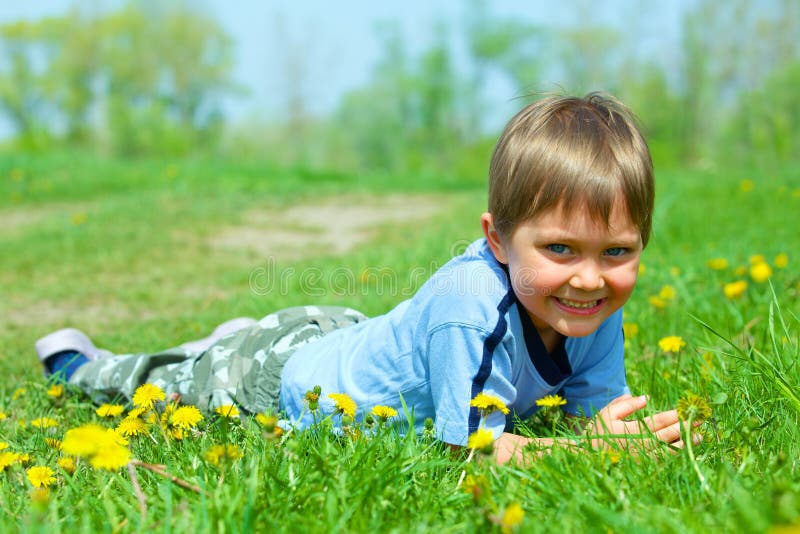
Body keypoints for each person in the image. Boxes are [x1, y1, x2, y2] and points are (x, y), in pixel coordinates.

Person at [36, 92, 688, 465]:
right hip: (295, 387)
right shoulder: (473, 307)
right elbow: (469, 449)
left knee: (256, 346)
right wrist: (592, 454)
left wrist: (619, 433)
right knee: (160, 389)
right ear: (496, 239)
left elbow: (592, 414)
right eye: (560, 247)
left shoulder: (592, 304)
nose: (588, 277)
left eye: (617, 252)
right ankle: (82, 364)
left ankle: (242, 338)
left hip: (353, 339)